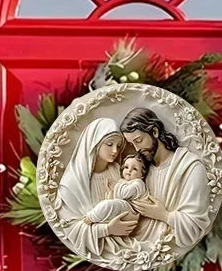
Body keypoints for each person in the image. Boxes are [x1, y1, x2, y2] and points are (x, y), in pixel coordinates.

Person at [119, 107, 210, 255]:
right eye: (132, 144)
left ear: (154, 132)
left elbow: (195, 227)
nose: (137, 149)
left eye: (138, 140)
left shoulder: (189, 167)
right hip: (137, 248)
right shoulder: (142, 171)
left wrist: (165, 215)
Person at [55, 117, 137, 259]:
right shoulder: (72, 183)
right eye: (109, 144)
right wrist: (107, 229)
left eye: (118, 146)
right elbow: (70, 228)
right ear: (94, 143)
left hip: (126, 242)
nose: (115, 150)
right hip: (100, 247)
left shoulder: (118, 171)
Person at [80, 152, 150, 230]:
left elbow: (126, 193)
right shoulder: (123, 182)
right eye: (126, 167)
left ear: (142, 175)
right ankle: (95, 218)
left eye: (135, 169)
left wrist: (115, 187)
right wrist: (110, 191)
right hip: (124, 209)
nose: (129, 170)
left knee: (108, 205)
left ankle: (92, 217)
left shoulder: (138, 183)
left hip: (131, 213)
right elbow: (116, 197)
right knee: (107, 204)